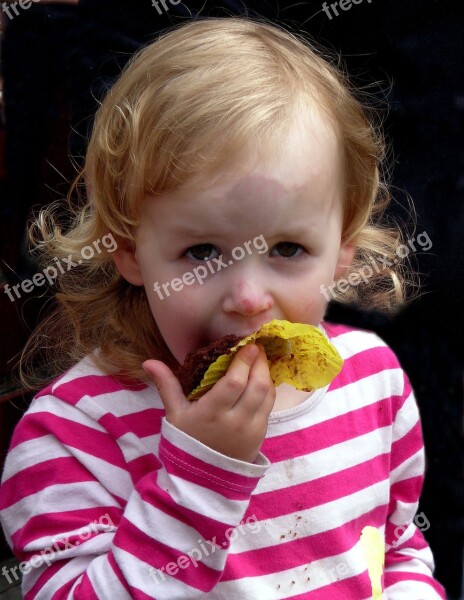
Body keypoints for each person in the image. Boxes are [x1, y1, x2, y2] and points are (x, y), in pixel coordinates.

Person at [0, 17, 447, 598]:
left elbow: (396, 545)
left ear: (343, 250)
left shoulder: (372, 380)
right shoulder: (75, 434)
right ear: (131, 251)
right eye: (201, 251)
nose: (248, 299)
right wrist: (200, 477)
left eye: (289, 248)